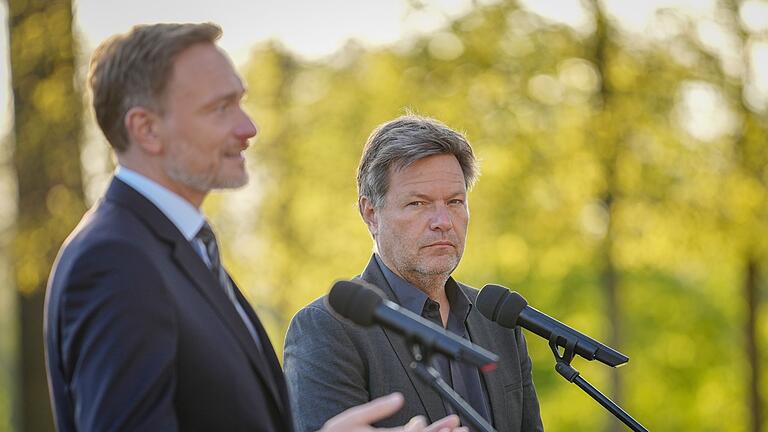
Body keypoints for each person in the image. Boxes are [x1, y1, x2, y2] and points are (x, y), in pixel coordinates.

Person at [44, 23, 462, 432]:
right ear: (146, 129)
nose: (248, 128)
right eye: (220, 108)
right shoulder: (115, 261)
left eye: (240, 103)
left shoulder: (182, 249)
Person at [284, 115, 545, 431]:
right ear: (370, 213)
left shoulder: (499, 324)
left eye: (455, 201)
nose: (443, 221)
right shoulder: (326, 328)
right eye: (419, 203)